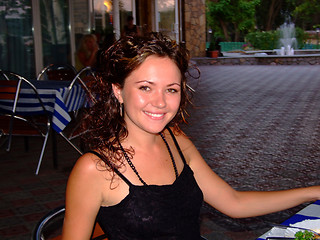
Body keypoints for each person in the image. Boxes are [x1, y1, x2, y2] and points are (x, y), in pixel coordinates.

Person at [62, 32, 320, 240]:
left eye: (171, 90)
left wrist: (312, 192)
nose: (160, 102)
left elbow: (233, 202)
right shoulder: (95, 169)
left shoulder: (176, 141)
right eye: (145, 87)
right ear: (118, 91)